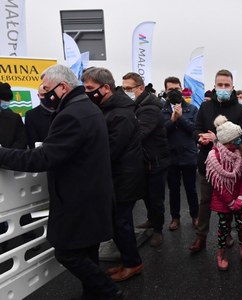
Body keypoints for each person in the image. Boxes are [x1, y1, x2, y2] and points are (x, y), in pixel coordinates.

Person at [0, 64, 123, 299]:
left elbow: (43, 158)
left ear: (63, 87)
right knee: (87, 251)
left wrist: (2, 154)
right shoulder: (85, 107)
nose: (43, 94)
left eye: (46, 89)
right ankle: (95, 293)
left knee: (67, 253)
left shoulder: (72, 114)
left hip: (79, 199)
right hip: (92, 194)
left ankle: (109, 291)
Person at [82, 67, 146, 282]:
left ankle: (133, 263)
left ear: (106, 88)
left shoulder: (121, 113)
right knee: (117, 222)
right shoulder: (109, 108)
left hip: (124, 177)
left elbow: (111, 149)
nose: (87, 92)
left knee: (121, 222)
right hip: (117, 176)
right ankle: (128, 259)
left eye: (90, 88)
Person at [190, 69, 242, 253]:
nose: (223, 88)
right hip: (208, 164)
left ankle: (227, 233)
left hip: (232, 167)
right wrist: (200, 137)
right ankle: (201, 236)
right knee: (205, 201)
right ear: (214, 86)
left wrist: (218, 139)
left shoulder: (240, 110)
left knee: (229, 202)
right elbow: (195, 128)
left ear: (232, 87)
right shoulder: (205, 107)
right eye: (220, 85)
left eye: (227, 85)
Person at [122, 72, 171, 248]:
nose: (125, 92)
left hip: (155, 161)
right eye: (123, 88)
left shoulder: (149, 108)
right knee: (146, 195)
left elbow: (139, 134)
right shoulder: (135, 105)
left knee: (155, 198)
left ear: (140, 88)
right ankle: (151, 219)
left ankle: (158, 230)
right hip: (144, 161)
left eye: (128, 88)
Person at [206, 115, 242, 270]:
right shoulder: (214, 157)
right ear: (227, 141)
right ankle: (221, 254)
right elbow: (217, 184)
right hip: (224, 202)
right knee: (223, 229)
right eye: (236, 139)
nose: (239, 141)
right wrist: (231, 202)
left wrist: (241, 198)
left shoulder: (241, 153)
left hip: (240, 199)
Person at [161, 80, 199, 232]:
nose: (174, 92)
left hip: (188, 156)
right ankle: (175, 218)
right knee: (173, 190)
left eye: (176, 88)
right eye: (170, 89)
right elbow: (161, 131)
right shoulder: (162, 110)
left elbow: (194, 130)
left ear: (182, 89)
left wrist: (181, 117)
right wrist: (172, 120)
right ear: (165, 91)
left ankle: (195, 216)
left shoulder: (191, 109)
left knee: (191, 189)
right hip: (171, 156)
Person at [0, 82, 27, 149]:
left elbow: (22, 142)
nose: (7, 103)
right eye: (5, 100)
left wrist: (5, 153)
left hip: (9, 157)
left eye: (8, 100)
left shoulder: (14, 118)